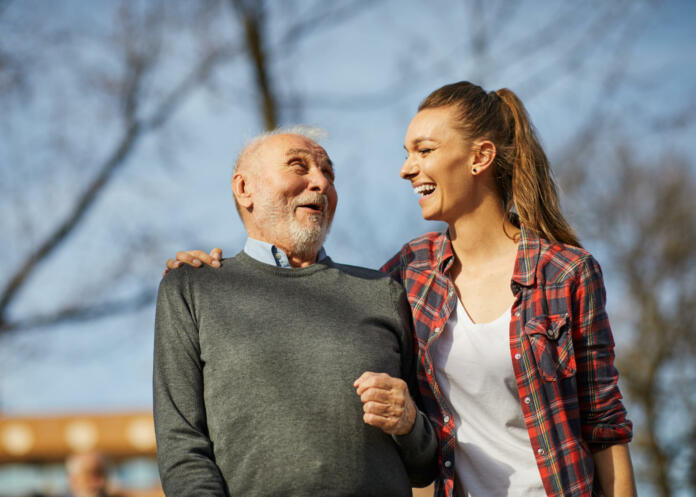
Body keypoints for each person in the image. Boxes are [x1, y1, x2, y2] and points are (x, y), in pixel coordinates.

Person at [166, 82, 636, 497]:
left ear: (480, 157)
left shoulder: (566, 273)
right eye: (407, 153)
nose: (406, 169)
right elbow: (314, 288)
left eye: (424, 151)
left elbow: (606, 428)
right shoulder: (410, 273)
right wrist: (209, 271)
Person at [154, 129, 437, 497]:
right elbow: (182, 445)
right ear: (244, 189)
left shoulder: (382, 291)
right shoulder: (194, 288)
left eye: (328, 174)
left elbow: (427, 465)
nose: (320, 182)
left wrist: (409, 422)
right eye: (298, 166)